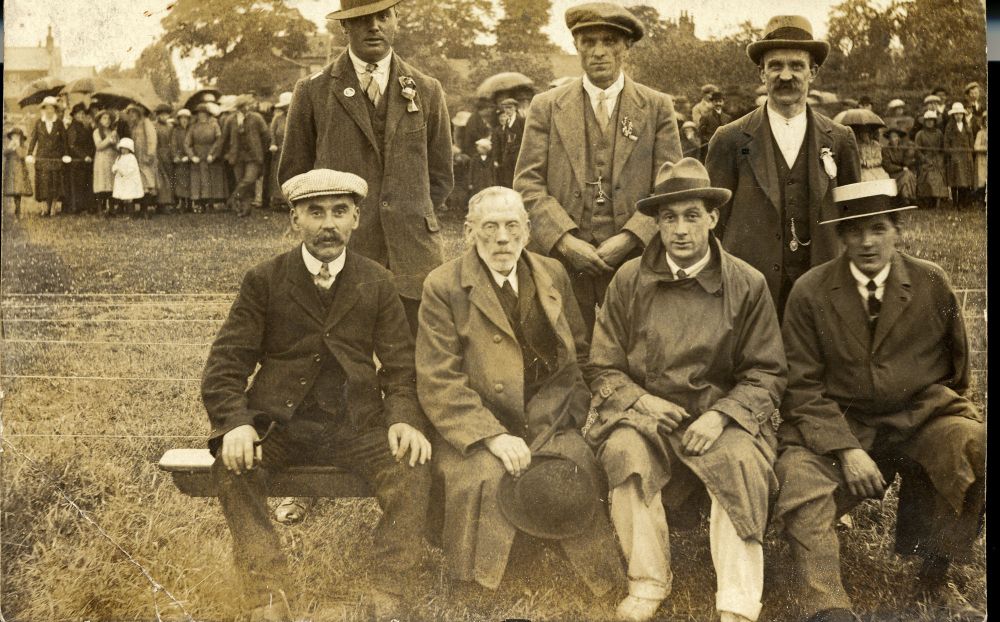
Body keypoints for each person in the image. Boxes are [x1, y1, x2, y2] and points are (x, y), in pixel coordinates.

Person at [201, 168, 432, 622]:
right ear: (295, 220)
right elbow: (226, 366)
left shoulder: (377, 280)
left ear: (356, 220)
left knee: (413, 467)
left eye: (340, 212)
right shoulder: (264, 280)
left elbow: (402, 367)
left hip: (357, 424)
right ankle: (266, 594)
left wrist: (403, 417)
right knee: (233, 470)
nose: (328, 225)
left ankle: (388, 589)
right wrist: (237, 423)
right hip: (279, 424)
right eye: (315, 212)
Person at [772, 179, 984, 622]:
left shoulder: (931, 282)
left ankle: (934, 574)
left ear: (897, 230)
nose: (867, 242)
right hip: (840, 424)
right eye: (854, 231)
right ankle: (826, 603)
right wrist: (846, 449)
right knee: (799, 480)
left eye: (878, 228)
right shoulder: (810, 292)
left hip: (920, 416)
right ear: (841, 237)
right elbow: (800, 386)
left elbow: (957, 369)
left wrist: (936, 427)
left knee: (969, 445)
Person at [585, 158, 786, 622]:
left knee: (739, 463)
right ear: (656, 223)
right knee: (625, 451)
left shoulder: (746, 283)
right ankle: (648, 579)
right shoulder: (629, 279)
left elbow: (767, 372)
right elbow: (603, 365)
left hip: (719, 416)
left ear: (713, 218)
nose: (680, 230)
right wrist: (640, 401)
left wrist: (723, 415)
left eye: (692, 215)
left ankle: (737, 599)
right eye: (669, 217)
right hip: (649, 416)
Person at [415, 185, 624, 596]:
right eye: (489, 227)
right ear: (469, 231)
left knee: (575, 463)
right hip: (477, 422)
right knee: (484, 474)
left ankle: (585, 571)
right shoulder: (443, 285)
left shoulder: (553, 274)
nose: (502, 238)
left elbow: (578, 354)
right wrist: (491, 436)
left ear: (528, 231)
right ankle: (479, 579)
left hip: (548, 416)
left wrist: (571, 411)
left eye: (512, 226)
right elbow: (439, 379)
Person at [278, 0, 454, 335]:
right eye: (362, 19)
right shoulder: (313, 90)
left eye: (383, 16)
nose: (374, 27)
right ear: (344, 27)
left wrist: (407, 211)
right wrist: (329, 224)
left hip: (414, 255)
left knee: (415, 357)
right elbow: (293, 176)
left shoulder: (427, 89)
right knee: (347, 358)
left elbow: (441, 175)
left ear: (396, 21)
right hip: (344, 249)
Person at [513, 1, 682, 331]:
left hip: (634, 261)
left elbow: (670, 187)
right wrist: (564, 240)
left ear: (626, 46)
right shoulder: (546, 106)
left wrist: (631, 237)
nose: (599, 52)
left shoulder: (657, 106)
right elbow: (527, 182)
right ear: (576, 45)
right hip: (561, 263)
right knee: (565, 353)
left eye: (610, 42)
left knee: (631, 350)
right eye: (589, 42)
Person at [705, 15, 861, 315]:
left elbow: (852, 219)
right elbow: (713, 223)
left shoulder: (840, 138)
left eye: (797, 66)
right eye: (775, 65)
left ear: (813, 72)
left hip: (822, 290)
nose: (785, 75)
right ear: (761, 73)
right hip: (750, 293)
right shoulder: (730, 139)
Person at [222, 94, 271, 217]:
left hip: (253, 156)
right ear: (238, 108)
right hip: (237, 156)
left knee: (249, 179)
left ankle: (232, 198)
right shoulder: (231, 120)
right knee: (241, 181)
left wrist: (261, 150)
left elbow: (266, 136)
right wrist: (225, 153)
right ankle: (245, 209)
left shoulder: (257, 118)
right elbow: (224, 138)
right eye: (243, 106)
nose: (246, 108)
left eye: (247, 105)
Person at [25, 96, 71, 217]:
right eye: (47, 108)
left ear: (55, 110)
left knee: (55, 182)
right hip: (42, 157)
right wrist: (30, 153)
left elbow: (64, 141)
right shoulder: (39, 123)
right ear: (44, 109)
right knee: (43, 183)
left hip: (56, 157)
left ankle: (53, 208)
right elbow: (33, 139)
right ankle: (45, 208)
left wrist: (65, 154)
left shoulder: (59, 123)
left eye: (52, 108)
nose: (49, 111)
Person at [185, 104, 227, 213]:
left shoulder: (214, 125)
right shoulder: (193, 127)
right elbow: (187, 143)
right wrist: (192, 156)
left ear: (208, 115)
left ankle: (212, 203)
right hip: (198, 156)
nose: (202, 116)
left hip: (211, 155)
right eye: (199, 114)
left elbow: (219, 140)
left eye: (204, 114)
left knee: (212, 179)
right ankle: (200, 204)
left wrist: (212, 154)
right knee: (199, 180)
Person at [124, 104, 158, 216]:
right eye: (130, 113)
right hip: (136, 157)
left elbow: (152, 139)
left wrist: (150, 154)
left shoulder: (146, 123)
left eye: (134, 112)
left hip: (145, 157)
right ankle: (140, 210)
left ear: (139, 113)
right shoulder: (133, 125)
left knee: (146, 182)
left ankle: (145, 211)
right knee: (138, 182)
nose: (132, 115)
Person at [943, 102, 976, 210]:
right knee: (955, 181)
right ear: (953, 115)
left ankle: (962, 203)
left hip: (966, 157)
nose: (958, 116)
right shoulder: (949, 127)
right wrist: (951, 153)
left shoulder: (967, 127)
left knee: (965, 182)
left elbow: (971, 142)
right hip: (954, 157)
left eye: (960, 114)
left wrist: (969, 152)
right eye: (956, 114)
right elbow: (946, 143)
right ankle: (955, 203)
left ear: (963, 115)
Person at [64, 103, 95, 215]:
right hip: (76, 162)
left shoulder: (85, 126)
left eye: (83, 113)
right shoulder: (73, 128)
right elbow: (72, 145)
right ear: (75, 115)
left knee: (85, 184)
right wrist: (84, 156)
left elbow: (90, 143)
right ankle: (76, 208)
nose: (81, 115)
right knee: (77, 185)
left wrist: (90, 155)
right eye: (79, 113)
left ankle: (85, 208)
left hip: (86, 162)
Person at [914, 110, 948, 210]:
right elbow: (917, 150)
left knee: (939, 174)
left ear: (934, 122)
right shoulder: (920, 134)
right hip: (925, 160)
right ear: (924, 122)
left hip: (937, 159)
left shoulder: (939, 133)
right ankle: (927, 200)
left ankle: (938, 201)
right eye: (927, 120)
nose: (930, 122)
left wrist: (940, 159)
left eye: (932, 120)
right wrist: (924, 159)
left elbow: (942, 149)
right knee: (927, 175)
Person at [491, 98, 525, 188]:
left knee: (518, 177)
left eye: (510, 108)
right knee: (508, 179)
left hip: (518, 154)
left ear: (515, 108)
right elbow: (505, 140)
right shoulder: (507, 121)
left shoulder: (521, 120)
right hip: (507, 155)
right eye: (505, 108)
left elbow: (525, 138)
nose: (507, 110)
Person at [92, 110, 120, 216]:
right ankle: (100, 209)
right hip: (102, 160)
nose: (107, 120)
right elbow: (99, 146)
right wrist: (109, 139)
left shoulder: (113, 132)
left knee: (111, 185)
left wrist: (116, 143)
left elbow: (118, 146)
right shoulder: (96, 132)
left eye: (108, 118)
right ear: (99, 120)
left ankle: (111, 209)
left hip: (112, 159)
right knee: (101, 184)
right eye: (104, 118)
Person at [267, 92, 292, 211]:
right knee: (277, 175)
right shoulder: (277, 118)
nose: (285, 109)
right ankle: (278, 200)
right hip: (279, 152)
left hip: (293, 151)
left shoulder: (299, 116)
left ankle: (291, 200)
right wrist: (273, 143)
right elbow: (272, 133)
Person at [846, 116, 889, 181]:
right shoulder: (857, 146)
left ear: (870, 134)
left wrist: (868, 163)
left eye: (866, 133)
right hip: (863, 170)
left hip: (876, 169)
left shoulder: (876, 145)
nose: (864, 135)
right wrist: (862, 162)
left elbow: (879, 159)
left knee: (881, 179)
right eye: (862, 133)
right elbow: (855, 159)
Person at [3, 126, 33, 218]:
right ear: (11, 137)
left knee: (18, 190)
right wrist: (11, 147)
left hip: (19, 171)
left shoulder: (23, 146)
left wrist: (17, 147)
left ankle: (18, 209)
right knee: (12, 190)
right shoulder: (9, 146)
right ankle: (16, 208)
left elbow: (22, 155)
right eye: (13, 136)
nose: (15, 138)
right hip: (11, 170)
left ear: (21, 138)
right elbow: (5, 153)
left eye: (17, 136)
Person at [881, 128, 917, 203]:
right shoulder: (885, 150)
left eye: (896, 137)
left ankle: (907, 197)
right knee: (907, 175)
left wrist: (910, 153)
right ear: (889, 139)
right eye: (892, 137)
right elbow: (887, 165)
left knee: (908, 175)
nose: (895, 139)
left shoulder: (902, 148)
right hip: (892, 173)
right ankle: (908, 198)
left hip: (903, 171)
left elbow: (906, 161)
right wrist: (900, 168)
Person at [111, 137, 144, 217]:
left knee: (129, 197)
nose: (123, 150)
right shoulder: (119, 157)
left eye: (126, 149)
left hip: (129, 180)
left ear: (129, 149)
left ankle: (130, 214)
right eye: (122, 148)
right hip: (121, 181)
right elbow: (115, 165)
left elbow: (131, 169)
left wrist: (122, 171)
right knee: (123, 196)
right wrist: (114, 169)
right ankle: (123, 212)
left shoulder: (131, 158)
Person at [153, 104, 176, 213]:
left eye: (166, 115)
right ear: (157, 116)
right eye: (161, 115)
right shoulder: (154, 126)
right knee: (161, 179)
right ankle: (161, 204)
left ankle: (169, 202)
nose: (164, 117)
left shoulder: (170, 127)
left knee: (170, 178)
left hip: (168, 154)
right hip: (158, 153)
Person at [171, 109, 193, 213]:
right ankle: (182, 203)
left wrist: (190, 156)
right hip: (180, 160)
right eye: (182, 118)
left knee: (190, 181)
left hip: (191, 159)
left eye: (186, 118)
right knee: (180, 181)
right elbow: (173, 145)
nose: (184, 120)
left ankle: (190, 203)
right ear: (179, 120)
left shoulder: (191, 129)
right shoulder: (176, 131)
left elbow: (194, 144)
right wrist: (176, 156)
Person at [697, 91, 729, 161]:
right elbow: (700, 133)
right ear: (712, 102)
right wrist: (709, 141)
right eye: (716, 101)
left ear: (723, 102)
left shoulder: (727, 118)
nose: (718, 104)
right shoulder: (706, 117)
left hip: (724, 147)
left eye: (720, 101)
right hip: (710, 147)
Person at [973, 112, 986, 206]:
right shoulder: (980, 133)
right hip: (983, 159)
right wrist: (985, 148)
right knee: (982, 181)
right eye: (986, 120)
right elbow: (976, 147)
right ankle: (981, 201)